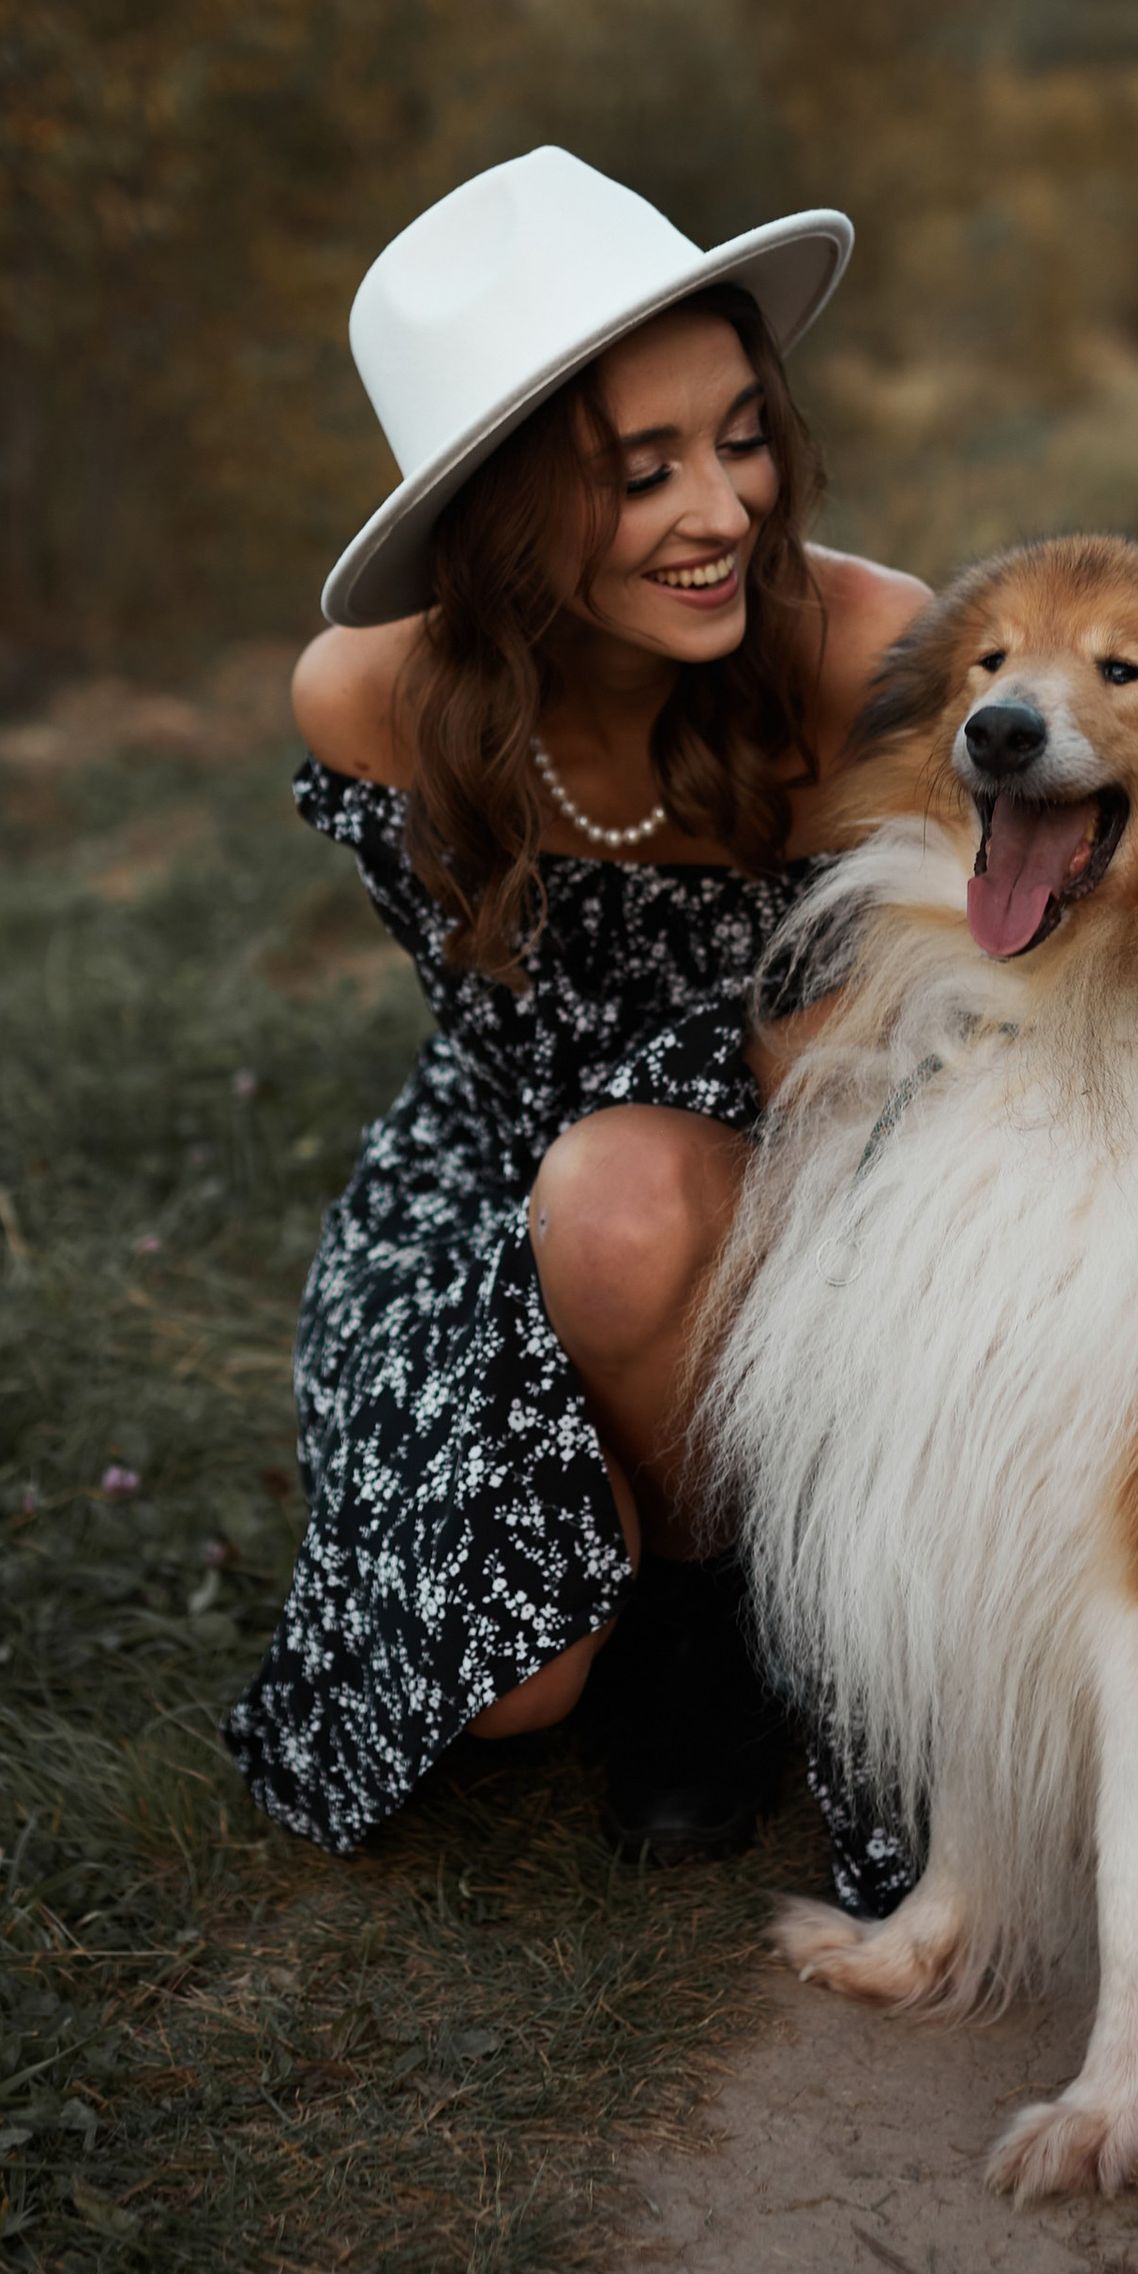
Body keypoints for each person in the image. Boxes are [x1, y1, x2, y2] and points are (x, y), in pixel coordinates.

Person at [222, 146, 927, 1878]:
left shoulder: (865, 653)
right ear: (506, 510)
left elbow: (876, 1035)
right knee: (507, 1689)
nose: (726, 512)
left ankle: (721, 1602)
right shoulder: (368, 700)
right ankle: (624, 1553)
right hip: (485, 1170)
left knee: (620, 1204)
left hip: (817, 1163)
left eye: (740, 436)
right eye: (643, 470)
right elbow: (490, 1038)